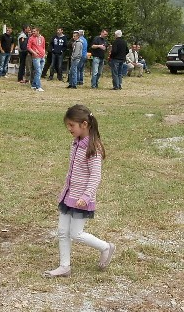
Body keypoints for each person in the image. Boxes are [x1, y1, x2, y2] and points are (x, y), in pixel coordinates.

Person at [44, 104, 115, 277]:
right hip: (69, 196)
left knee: (76, 234)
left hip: (81, 199)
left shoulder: (93, 149)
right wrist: (65, 192)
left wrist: (86, 195)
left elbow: (95, 176)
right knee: (62, 231)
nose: (69, 129)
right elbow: (72, 172)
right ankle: (64, 266)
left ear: (84, 124)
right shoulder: (76, 144)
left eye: (71, 125)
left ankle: (106, 247)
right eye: (67, 125)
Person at [27, 27, 46, 92]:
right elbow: (28, 47)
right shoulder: (31, 38)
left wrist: (44, 53)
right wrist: (34, 52)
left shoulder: (42, 38)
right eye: (32, 31)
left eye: (34, 31)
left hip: (42, 56)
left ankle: (34, 84)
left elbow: (43, 46)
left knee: (40, 71)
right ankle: (38, 86)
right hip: (36, 57)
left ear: (38, 31)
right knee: (38, 71)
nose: (33, 32)